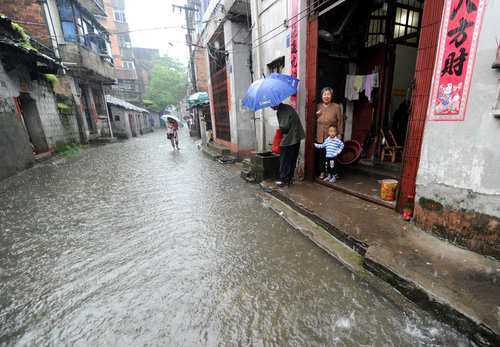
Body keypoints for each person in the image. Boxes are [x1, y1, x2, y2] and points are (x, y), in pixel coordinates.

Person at [270, 103, 305, 187]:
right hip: (296, 138)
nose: (270, 107)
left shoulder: (281, 110)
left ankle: (284, 180)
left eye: (271, 105)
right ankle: (289, 179)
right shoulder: (287, 107)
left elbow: (284, 127)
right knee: (292, 160)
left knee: (285, 160)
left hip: (289, 139)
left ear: (275, 103)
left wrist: (279, 129)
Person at [315, 87, 343, 179]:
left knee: (332, 156)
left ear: (331, 96)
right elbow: (312, 120)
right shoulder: (318, 106)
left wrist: (340, 134)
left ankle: (332, 173)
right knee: (321, 156)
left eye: (328, 94)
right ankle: (322, 172)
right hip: (320, 135)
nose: (326, 96)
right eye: (324, 94)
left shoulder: (336, 107)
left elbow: (340, 122)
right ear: (321, 96)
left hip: (331, 136)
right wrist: (316, 115)